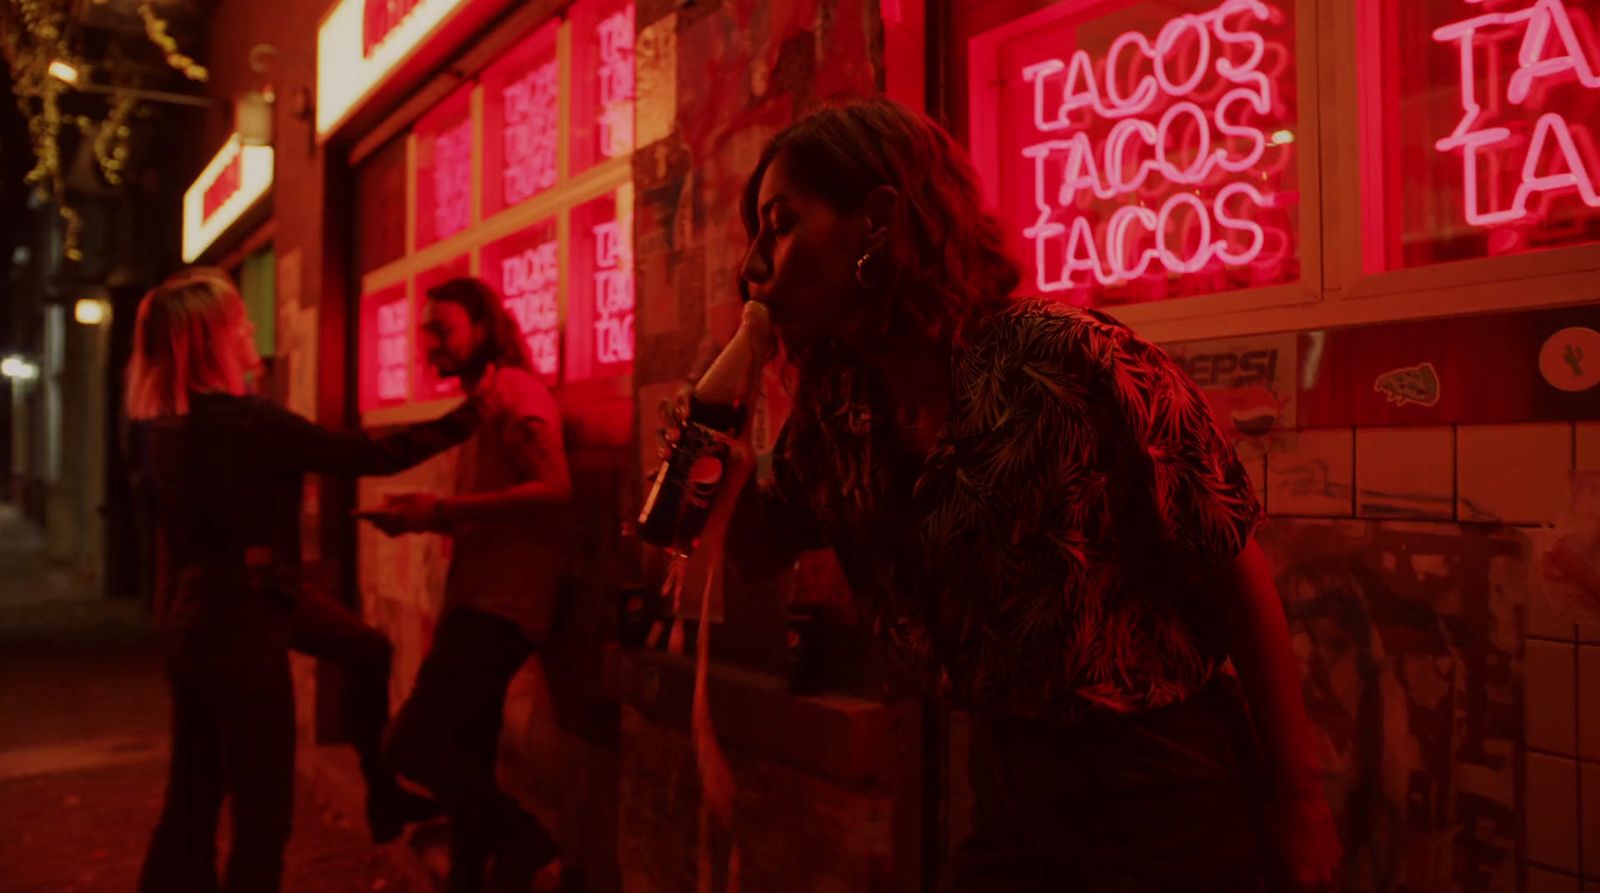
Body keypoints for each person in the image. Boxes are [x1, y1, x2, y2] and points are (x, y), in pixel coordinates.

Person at [711, 98, 1343, 892]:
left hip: (1160, 783)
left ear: (875, 221)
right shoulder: (841, 409)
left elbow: (1234, 566)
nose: (753, 265)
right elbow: (758, 552)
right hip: (1010, 779)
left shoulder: (1067, 360)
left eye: (781, 223)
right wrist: (721, 464)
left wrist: (1300, 800)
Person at [129, 268, 483, 893]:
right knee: (263, 815)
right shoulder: (249, 422)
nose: (253, 331)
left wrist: (173, 628)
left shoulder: (160, 432)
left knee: (196, 791)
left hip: (206, 613)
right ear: (214, 340)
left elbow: (162, 543)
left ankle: (381, 793)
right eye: (241, 322)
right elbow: (370, 455)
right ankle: (381, 794)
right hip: (245, 619)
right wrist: (471, 414)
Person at [363, 277, 571, 893]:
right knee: (471, 751)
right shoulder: (486, 397)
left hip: (501, 607)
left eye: (444, 330)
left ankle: (526, 837)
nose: (431, 345)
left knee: (414, 744)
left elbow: (556, 489)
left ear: (484, 325)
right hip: (479, 599)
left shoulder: (515, 391)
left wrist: (440, 511)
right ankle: (482, 871)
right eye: (427, 333)